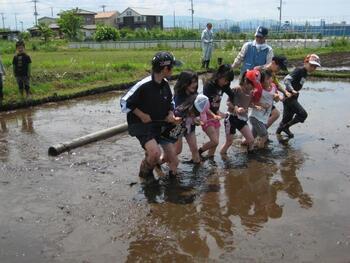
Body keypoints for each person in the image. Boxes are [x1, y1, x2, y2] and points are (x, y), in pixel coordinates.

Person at [120, 51, 182, 179]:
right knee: (155, 153)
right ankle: (145, 176)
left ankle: (151, 167)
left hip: (157, 124)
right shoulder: (144, 84)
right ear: (165, 68)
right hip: (140, 124)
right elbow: (124, 102)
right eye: (172, 67)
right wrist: (141, 114)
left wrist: (170, 113)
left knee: (170, 157)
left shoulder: (165, 85)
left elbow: (170, 102)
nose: (173, 70)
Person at [276, 54, 321, 138]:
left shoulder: (305, 73)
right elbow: (286, 79)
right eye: (311, 65)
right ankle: (285, 127)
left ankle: (278, 133)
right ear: (306, 62)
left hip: (293, 97)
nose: (313, 68)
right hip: (289, 96)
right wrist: (292, 90)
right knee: (303, 114)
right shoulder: (299, 70)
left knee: (287, 118)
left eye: (315, 67)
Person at [220, 69, 261, 154]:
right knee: (229, 142)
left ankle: (250, 160)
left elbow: (248, 104)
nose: (252, 87)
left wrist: (255, 106)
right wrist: (236, 108)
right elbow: (228, 102)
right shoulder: (237, 89)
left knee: (251, 140)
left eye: (254, 86)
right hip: (231, 118)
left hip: (242, 119)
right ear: (245, 81)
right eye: (251, 85)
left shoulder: (250, 92)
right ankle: (221, 157)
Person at [199, 64, 235, 158]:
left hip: (216, 116)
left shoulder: (225, 85)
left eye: (228, 81)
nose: (226, 83)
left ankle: (210, 159)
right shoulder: (209, 85)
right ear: (219, 75)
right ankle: (198, 152)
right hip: (207, 115)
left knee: (215, 144)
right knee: (215, 141)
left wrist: (233, 106)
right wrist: (217, 113)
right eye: (225, 80)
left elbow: (232, 95)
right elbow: (206, 104)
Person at [161, 94, 209, 163]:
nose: (196, 115)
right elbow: (169, 122)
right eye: (196, 113)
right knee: (177, 150)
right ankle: (159, 162)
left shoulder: (191, 114)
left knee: (192, 149)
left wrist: (195, 121)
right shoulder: (179, 112)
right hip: (172, 134)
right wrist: (174, 120)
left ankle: (168, 163)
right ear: (191, 107)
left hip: (180, 131)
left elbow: (191, 120)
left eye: (198, 114)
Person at [173, 71, 204, 164]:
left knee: (194, 148)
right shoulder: (178, 96)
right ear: (184, 83)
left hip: (190, 126)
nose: (194, 85)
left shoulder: (196, 95)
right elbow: (178, 112)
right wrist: (192, 117)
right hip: (178, 126)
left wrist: (197, 118)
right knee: (177, 150)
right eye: (192, 82)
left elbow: (197, 111)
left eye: (196, 82)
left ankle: (197, 166)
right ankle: (160, 162)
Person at [254, 56, 291, 129]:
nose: (279, 70)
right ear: (273, 63)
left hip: (266, 99)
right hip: (259, 99)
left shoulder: (272, 73)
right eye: (279, 68)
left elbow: (276, 85)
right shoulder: (258, 70)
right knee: (274, 114)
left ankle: (261, 133)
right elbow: (253, 84)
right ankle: (261, 133)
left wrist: (285, 92)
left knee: (274, 114)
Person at [249, 70, 281, 148]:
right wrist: (262, 104)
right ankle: (261, 152)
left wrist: (277, 98)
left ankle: (248, 147)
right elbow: (251, 102)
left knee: (251, 137)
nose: (270, 80)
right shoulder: (258, 90)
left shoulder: (273, 86)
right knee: (264, 136)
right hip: (255, 117)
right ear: (261, 82)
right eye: (267, 79)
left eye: (270, 78)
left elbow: (276, 99)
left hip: (263, 117)